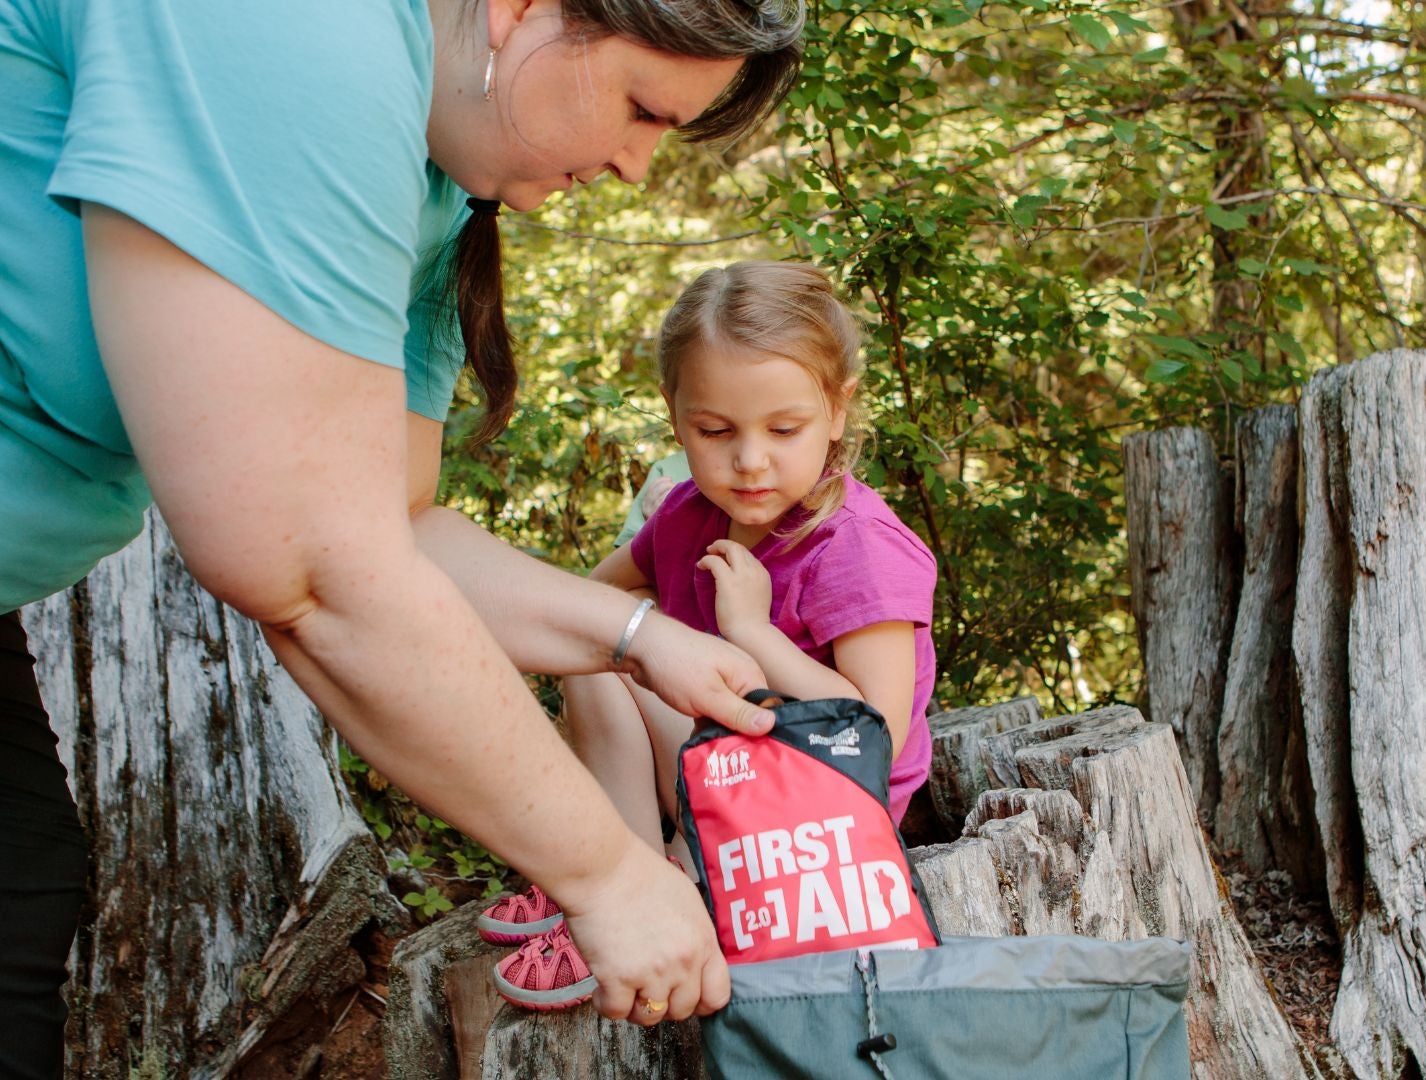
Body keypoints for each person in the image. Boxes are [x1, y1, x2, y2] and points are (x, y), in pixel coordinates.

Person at [0, 0, 805, 1070]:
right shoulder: (296, 30)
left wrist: (638, 633)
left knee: (21, 880)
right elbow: (310, 567)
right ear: (522, 10)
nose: (635, 169)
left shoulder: (435, 183)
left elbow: (392, 526)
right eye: (641, 110)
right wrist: (607, 872)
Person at [481, 262, 939, 1009]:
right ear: (675, 413)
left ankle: (656, 895)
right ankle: (626, 872)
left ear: (838, 409)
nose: (750, 460)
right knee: (602, 654)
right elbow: (592, 601)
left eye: (784, 429)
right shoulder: (689, 511)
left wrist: (752, 631)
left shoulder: (859, 549)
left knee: (619, 655)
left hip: (818, 814)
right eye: (715, 430)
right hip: (717, 771)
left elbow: (877, 731)